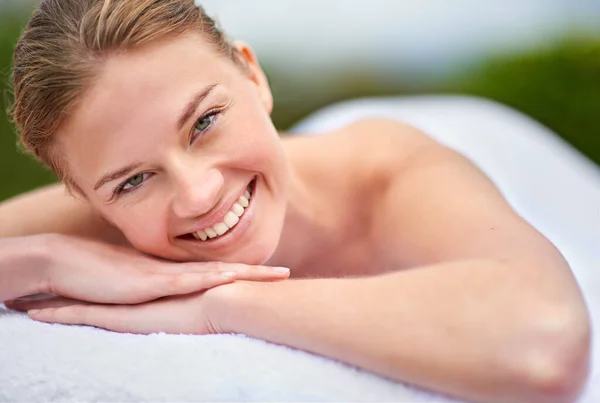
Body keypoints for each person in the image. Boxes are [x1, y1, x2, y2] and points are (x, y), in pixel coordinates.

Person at [0, 1, 591, 402]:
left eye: (205, 121)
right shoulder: (94, 209)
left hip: (486, 141)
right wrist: (45, 257)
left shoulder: (387, 171)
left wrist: (218, 305)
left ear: (252, 77)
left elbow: (545, 344)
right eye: (133, 182)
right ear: (82, 197)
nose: (198, 194)